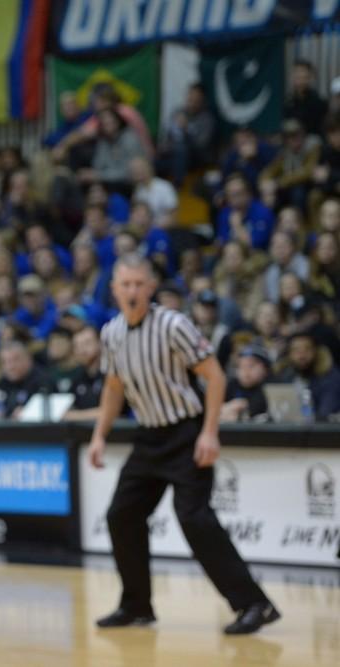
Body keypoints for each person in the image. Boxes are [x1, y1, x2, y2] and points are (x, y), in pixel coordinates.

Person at [88, 253, 280, 635]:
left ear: (151, 287)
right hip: (148, 437)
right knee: (121, 515)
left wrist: (209, 432)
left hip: (186, 432)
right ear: (114, 289)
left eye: (138, 284)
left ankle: (255, 603)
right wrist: (99, 435)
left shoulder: (173, 325)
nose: (132, 291)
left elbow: (215, 376)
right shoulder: (110, 333)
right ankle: (137, 605)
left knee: (194, 517)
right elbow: (113, 388)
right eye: (125, 284)